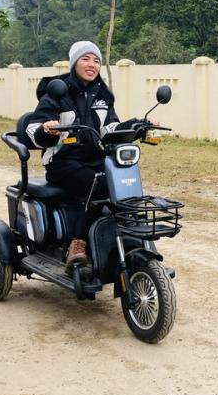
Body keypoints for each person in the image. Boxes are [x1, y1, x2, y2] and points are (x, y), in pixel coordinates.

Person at [26, 41, 137, 269]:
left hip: (95, 160)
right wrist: (47, 129)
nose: (92, 65)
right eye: (86, 59)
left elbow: (110, 128)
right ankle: (77, 243)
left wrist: (137, 125)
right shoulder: (57, 91)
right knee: (99, 185)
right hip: (62, 162)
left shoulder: (103, 95)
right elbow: (32, 129)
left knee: (123, 185)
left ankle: (127, 241)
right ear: (74, 62)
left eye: (96, 60)